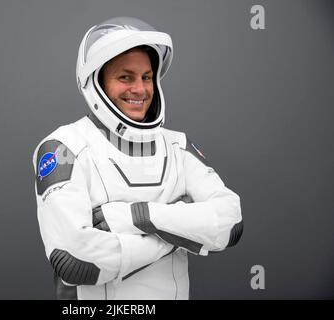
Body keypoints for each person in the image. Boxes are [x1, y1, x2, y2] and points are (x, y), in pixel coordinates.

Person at [32, 17, 243, 300]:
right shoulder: (63, 148)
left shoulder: (177, 146)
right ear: (96, 83)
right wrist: (179, 237)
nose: (140, 90)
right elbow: (76, 260)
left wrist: (135, 216)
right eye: (125, 77)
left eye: (146, 77)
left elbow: (230, 222)